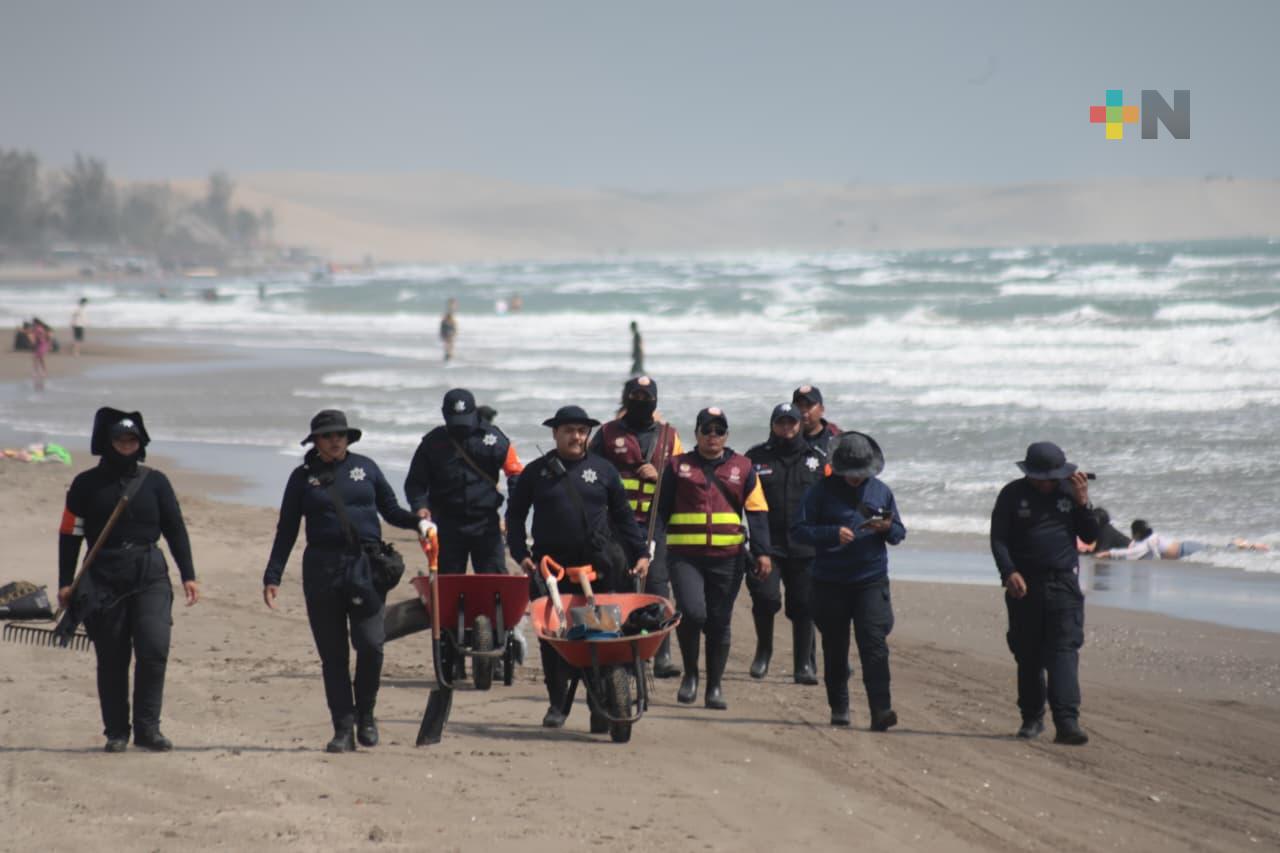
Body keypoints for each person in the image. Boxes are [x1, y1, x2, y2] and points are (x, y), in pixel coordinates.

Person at [262, 410, 421, 753]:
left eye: (340, 435)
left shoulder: (367, 468)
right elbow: (287, 529)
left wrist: (419, 522)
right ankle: (343, 729)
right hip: (322, 569)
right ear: (316, 441)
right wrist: (273, 575)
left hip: (365, 568)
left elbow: (391, 510)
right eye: (328, 435)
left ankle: (366, 714)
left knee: (371, 644)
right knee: (333, 656)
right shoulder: (302, 478)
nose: (335, 440)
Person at [57, 408, 199, 752]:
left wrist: (188, 575)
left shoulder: (156, 481)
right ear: (108, 442)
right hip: (103, 577)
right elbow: (70, 534)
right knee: (112, 657)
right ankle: (117, 732)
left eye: (132, 438)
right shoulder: (85, 484)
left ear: (141, 442)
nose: (126, 444)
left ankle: (148, 730)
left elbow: (175, 529)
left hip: (149, 572)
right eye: (120, 438)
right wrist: (66, 581)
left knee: (154, 648)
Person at [505, 405, 650, 728]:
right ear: (555, 433)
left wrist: (641, 554)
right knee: (553, 639)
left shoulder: (604, 470)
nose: (576, 436)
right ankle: (557, 703)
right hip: (550, 571)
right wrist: (520, 553)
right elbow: (514, 516)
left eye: (582, 431)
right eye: (569, 430)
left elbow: (624, 517)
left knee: (601, 636)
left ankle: (601, 703)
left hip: (598, 570)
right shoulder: (536, 472)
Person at [656, 407, 771, 710]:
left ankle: (714, 686)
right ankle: (691, 675)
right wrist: (650, 547)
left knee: (719, 621)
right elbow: (661, 511)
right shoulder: (676, 466)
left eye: (719, 431)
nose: (712, 436)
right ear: (696, 434)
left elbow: (757, 512)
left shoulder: (744, 467)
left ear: (726, 435)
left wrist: (762, 552)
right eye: (706, 430)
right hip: (685, 558)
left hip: (728, 559)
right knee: (692, 613)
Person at [792, 431, 904, 729]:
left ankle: (881, 710)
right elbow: (799, 530)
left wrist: (886, 528)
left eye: (861, 473)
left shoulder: (881, 491)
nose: (856, 478)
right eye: (851, 473)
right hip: (830, 582)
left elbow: (898, 534)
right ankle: (839, 708)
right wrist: (831, 533)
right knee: (835, 647)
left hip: (871, 581)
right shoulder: (819, 492)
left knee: (874, 644)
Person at [990, 441, 1098, 746]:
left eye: (1052, 478)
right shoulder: (1012, 494)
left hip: (1063, 584)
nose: (1046, 483)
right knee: (1028, 655)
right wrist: (1008, 572)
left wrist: (1083, 503)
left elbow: (1090, 535)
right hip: (1023, 586)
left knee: (1063, 652)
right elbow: (998, 538)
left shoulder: (1071, 492)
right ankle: (1031, 718)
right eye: (1040, 478)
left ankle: (1067, 723)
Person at [588, 375, 683, 678]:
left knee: (657, 586)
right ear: (627, 398)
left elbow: (683, 480)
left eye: (646, 397)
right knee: (613, 583)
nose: (641, 402)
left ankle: (661, 654)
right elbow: (588, 473)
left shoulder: (670, 436)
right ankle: (609, 647)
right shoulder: (606, 434)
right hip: (614, 525)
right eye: (635, 396)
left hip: (654, 524)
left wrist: (661, 476)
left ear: (655, 400)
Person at [745, 403, 826, 684]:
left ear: (799, 424)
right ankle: (763, 652)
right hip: (767, 545)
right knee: (765, 598)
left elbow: (832, 500)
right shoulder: (755, 458)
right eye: (781, 422)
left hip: (806, 547)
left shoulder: (818, 459)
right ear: (772, 425)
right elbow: (737, 498)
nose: (787, 427)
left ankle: (803, 664)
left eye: (791, 422)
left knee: (804, 605)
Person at [404, 389, 523, 575]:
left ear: (475, 412)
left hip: (486, 524)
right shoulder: (432, 443)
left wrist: (513, 512)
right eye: (455, 421)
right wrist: (420, 507)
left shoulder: (495, 439)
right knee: (448, 582)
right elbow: (415, 483)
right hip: (446, 524)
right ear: (444, 414)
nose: (460, 427)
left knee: (494, 580)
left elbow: (516, 475)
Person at [1096, 520, 1269, 560]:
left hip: (1186, 549)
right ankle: (1241, 544)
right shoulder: (1152, 538)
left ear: (1137, 533)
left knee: (1223, 551)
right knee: (1219, 550)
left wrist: (1109, 553)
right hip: (1186, 546)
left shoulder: (1148, 542)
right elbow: (1137, 549)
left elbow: (1132, 552)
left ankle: (1249, 545)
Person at [792, 385, 841, 454]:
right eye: (799, 406)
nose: (803, 410)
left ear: (821, 409)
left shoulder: (837, 438)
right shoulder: (786, 437)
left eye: (809, 405)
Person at [30, 318, 51, 389]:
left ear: (36, 323)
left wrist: (37, 339)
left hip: (42, 344)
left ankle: (41, 371)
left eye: (33, 323)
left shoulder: (39, 329)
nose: (32, 324)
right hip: (39, 344)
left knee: (39, 358)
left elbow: (43, 336)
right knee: (37, 358)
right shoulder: (36, 328)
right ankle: (38, 371)